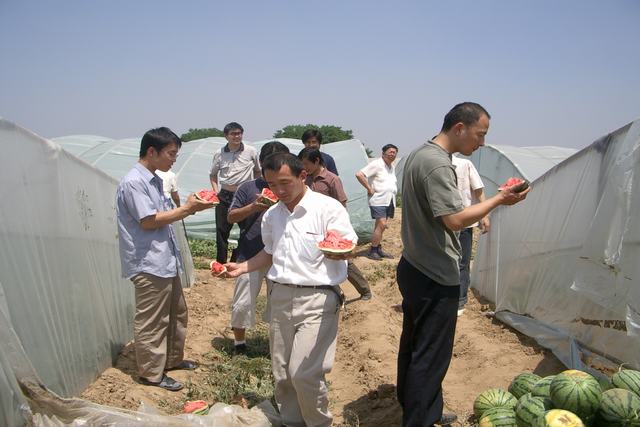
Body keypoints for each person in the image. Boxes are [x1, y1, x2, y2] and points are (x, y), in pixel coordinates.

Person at [397, 102, 530, 426]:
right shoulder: (437, 165)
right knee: (431, 355)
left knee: (415, 346)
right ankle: (421, 419)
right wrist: (499, 200)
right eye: (480, 134)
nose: (482, 142)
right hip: (433, 272)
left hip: (414, 264)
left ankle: (420, 406)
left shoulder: (420, 154)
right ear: (460, 128)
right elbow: (455, 220)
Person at [225, 153, 356, 427]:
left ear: (302, 176)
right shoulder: (272, 215)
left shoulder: (328, 209)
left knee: (304, 373)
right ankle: (292, 422)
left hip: (318, 297)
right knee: (282, 372)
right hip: (280, 296)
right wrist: (242, 267)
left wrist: (338, 253)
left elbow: (345, 244)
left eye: (285, 182)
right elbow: (270, 253)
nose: (279, 191)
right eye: (272, 184)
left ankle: (319, 423)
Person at [116, 127, 215, 391]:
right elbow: (148, 221)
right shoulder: (134, 182)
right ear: (152, 151)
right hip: (149, 263)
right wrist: (188, 209)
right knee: (152, 320)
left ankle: (171, 360)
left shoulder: (154, 179)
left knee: (176, 313)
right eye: (171, 154)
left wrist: (189, 208)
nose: (174, 159)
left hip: (164, 259)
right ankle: (151, 374)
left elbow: (165, 214)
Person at [226, 141, 290, 355]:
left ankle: (278, 345)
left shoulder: (291, 190)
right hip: (250, 253)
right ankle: (239, 344)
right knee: (242, 303)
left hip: (281, 256)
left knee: (279, 304)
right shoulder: (247, 187)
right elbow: (231, 216)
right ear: (261, 164)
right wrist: (254, 206)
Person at [298, 147, 373, 300]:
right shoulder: (306, 179)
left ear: (317, 161)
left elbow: (341, 204)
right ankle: (335, 293)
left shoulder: (332, 179)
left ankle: (364, 290)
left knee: (345, 261)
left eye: (306, 164)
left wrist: (337, 230)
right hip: (312, 227)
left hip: (331, 226)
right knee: (317, 260)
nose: (304, 168)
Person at [210, 122, 261, 264]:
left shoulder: (251, 151)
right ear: (226, 136)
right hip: (225, 195)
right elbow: (213, 175)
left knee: (246, 229)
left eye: (239, 133)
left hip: (244, 196)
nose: (236, 136)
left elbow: (257, 170)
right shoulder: (219, 153)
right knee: (222, 230)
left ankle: (237, 258)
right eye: (233, 134)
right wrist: (216, 192)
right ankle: (221, 262)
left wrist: (255, 187)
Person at [451, 155, 490, 316]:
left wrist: (484, 215)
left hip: (463, 220)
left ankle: (460, 301)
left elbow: (478, 189)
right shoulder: (432, 163)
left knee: (462, 261)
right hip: (440, 222)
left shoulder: (464, 163)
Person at [356, 144, 398, 260]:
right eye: (390, 152)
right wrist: (369, 188)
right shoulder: (377, 164)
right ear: (383, 153)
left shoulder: (391, 166)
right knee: (382, 224)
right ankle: (373, 250)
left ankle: (378, 248)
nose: (392, 154)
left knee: (380, 226)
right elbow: (359, 174)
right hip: (378, 199)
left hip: (389, 199)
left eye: (394, 152)